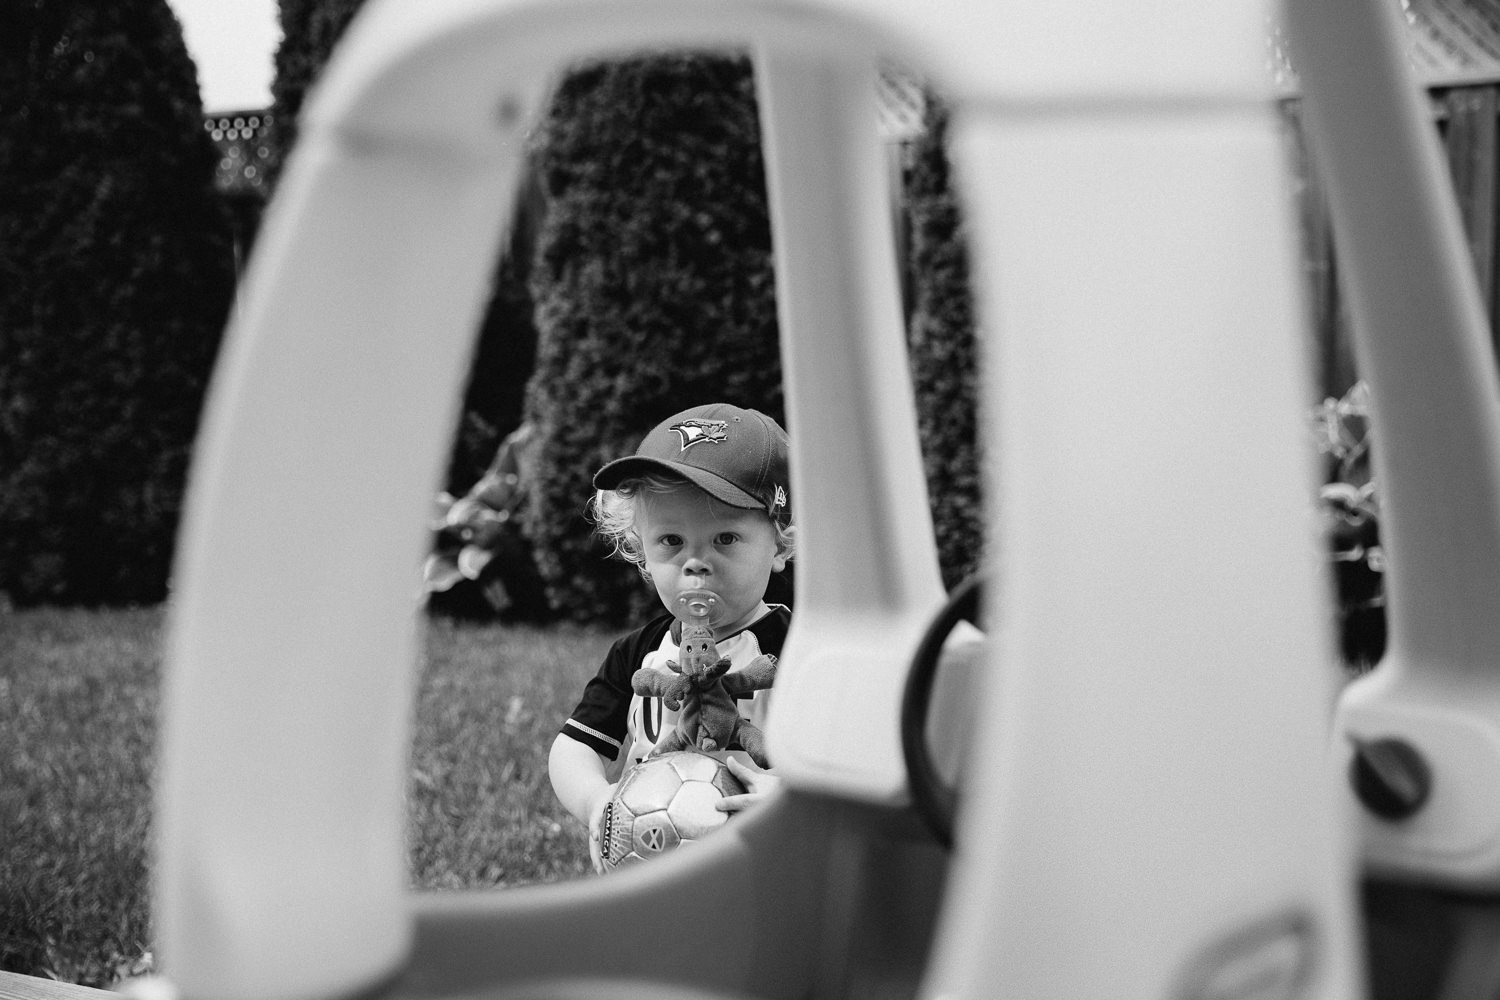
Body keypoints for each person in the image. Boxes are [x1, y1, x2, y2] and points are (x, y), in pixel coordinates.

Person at [548, 402, 794, 861]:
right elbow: (575, 746)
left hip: (766, 867)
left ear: (779, 543)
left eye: (725, 538)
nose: (695, 561)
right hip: (647, 856)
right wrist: (596, 801)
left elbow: (854, 762)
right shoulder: (637, 653)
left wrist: (791, 796)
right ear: (641, 549)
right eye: (671, 541)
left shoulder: (800, 650)